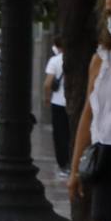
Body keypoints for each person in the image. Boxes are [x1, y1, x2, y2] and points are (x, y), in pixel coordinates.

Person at [68, 0, 111, 221]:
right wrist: (74, 170)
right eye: (109, 13)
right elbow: (88, 113)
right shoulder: (101, 59)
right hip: (107, 156)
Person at [44, 36, 69, 176]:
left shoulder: (54, 61)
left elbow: (47, 84)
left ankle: (63, 165)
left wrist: (47, 99)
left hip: (58, 103)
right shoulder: (77, 58)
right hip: (73, 103)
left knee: (60, 135)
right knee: (71, 133)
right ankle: (73, 162)